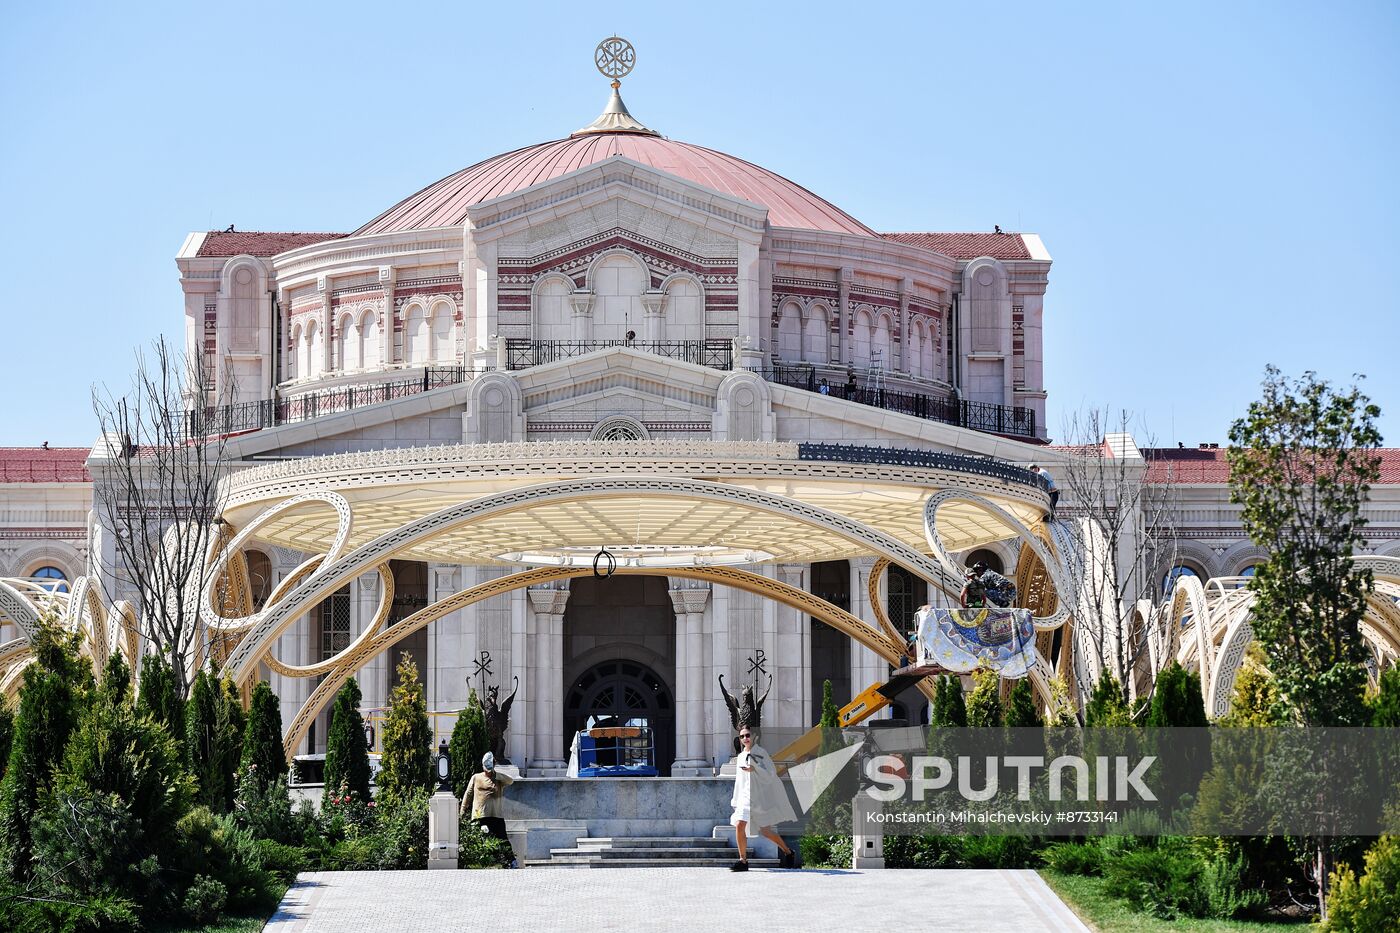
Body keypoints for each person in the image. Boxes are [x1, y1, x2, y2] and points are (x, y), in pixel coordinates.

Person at [729, 727, 796, 871]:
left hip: (759, 798)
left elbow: (771, 773)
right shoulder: (741, 757)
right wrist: (736, 799)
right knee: (740, 824)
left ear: (753, 736)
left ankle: (788, 851)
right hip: (745, 797)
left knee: (765, 831)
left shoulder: (761, 753)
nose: (745, 739)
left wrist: (755, 769)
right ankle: (743, 861)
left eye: (747, 735)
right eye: (742, 737)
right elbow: (739, 780)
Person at [460, 751, 514, 842]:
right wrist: (462, 810)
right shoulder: (476, 777)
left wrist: (496, 775)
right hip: (480, 816)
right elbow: (468, 794)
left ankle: (508, 857)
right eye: (486, 769)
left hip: (496, 816)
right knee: (480, 843)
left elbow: (510, 781)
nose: (487, 772)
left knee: (503, 843)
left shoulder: (498, 779)